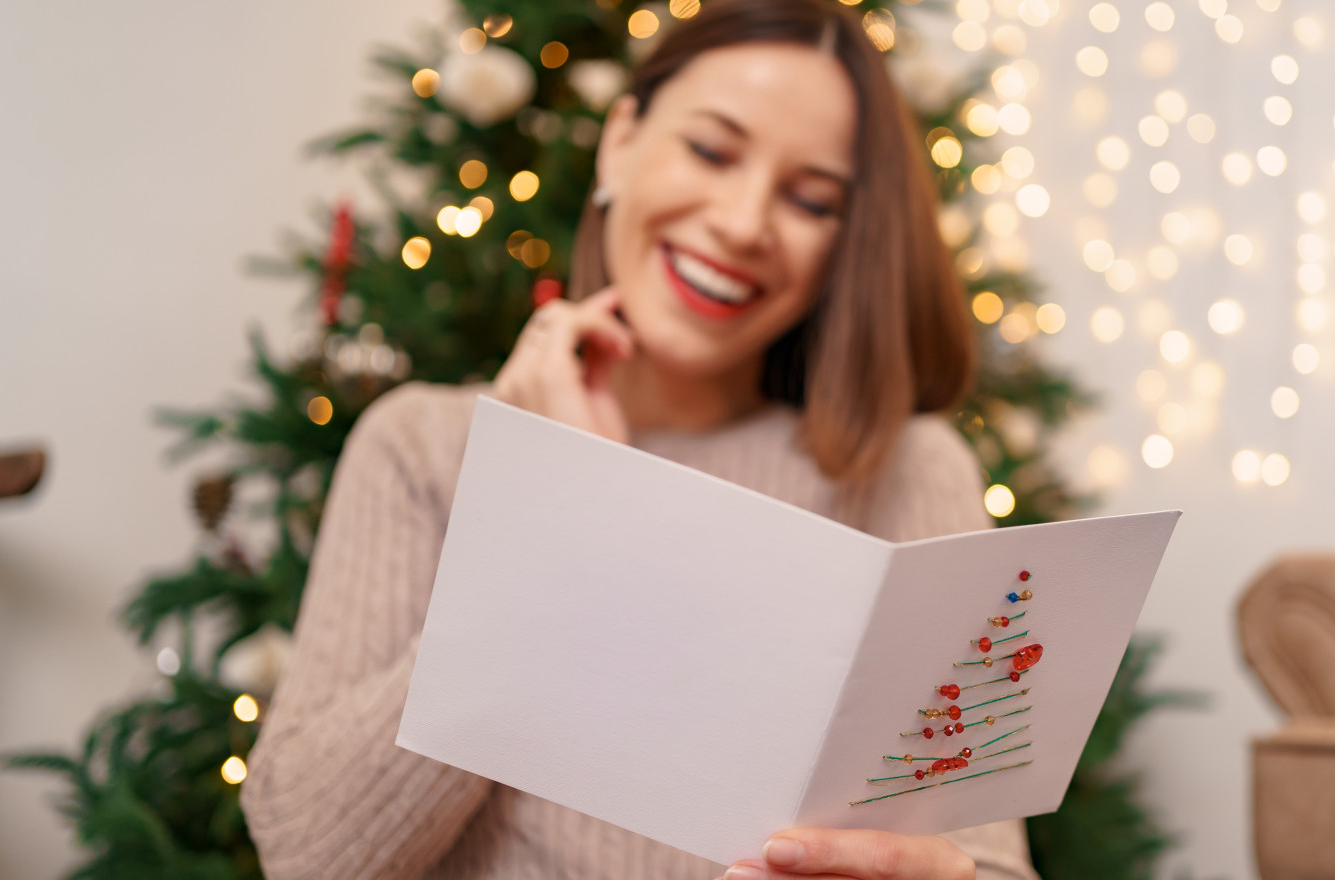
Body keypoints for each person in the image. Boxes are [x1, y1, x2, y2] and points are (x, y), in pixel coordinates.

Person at [241, 1, 1038, 878]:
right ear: (620, 140)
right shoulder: (422, 447)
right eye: (710, 150)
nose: (742, 223)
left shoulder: (910, 472)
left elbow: (989, 865)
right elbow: (311, 857)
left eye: (812, 200)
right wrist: (560, 510)